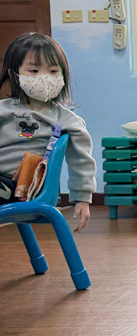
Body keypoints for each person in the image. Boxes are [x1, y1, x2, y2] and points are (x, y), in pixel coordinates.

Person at [0, 33, 96, 230]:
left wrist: (82, 198)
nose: (44, 77)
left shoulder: (67, 120)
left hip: (22, 189)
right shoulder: (3, 109)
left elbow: (82, 160)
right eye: (33, 70)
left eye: (53, 71)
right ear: (14, 75)